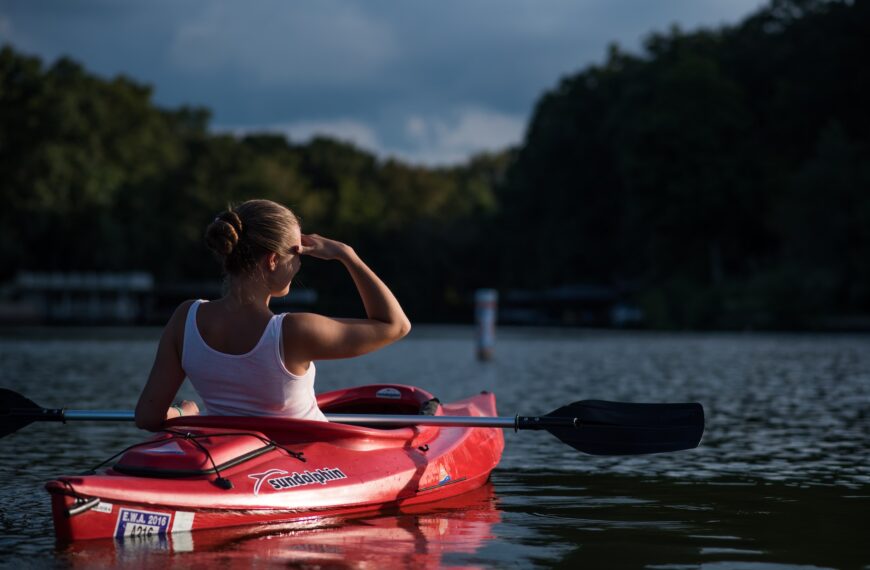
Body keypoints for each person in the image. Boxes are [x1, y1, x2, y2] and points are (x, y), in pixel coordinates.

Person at [134, 199, 411, 431]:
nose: (301, 262)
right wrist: (346, 255)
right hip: (303, 467)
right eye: (297, 252)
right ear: (273, 260)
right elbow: (396, 325)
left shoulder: (185, 318)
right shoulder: (294, 331)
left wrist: (186, 415)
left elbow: (148, 417)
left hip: (232, 460)